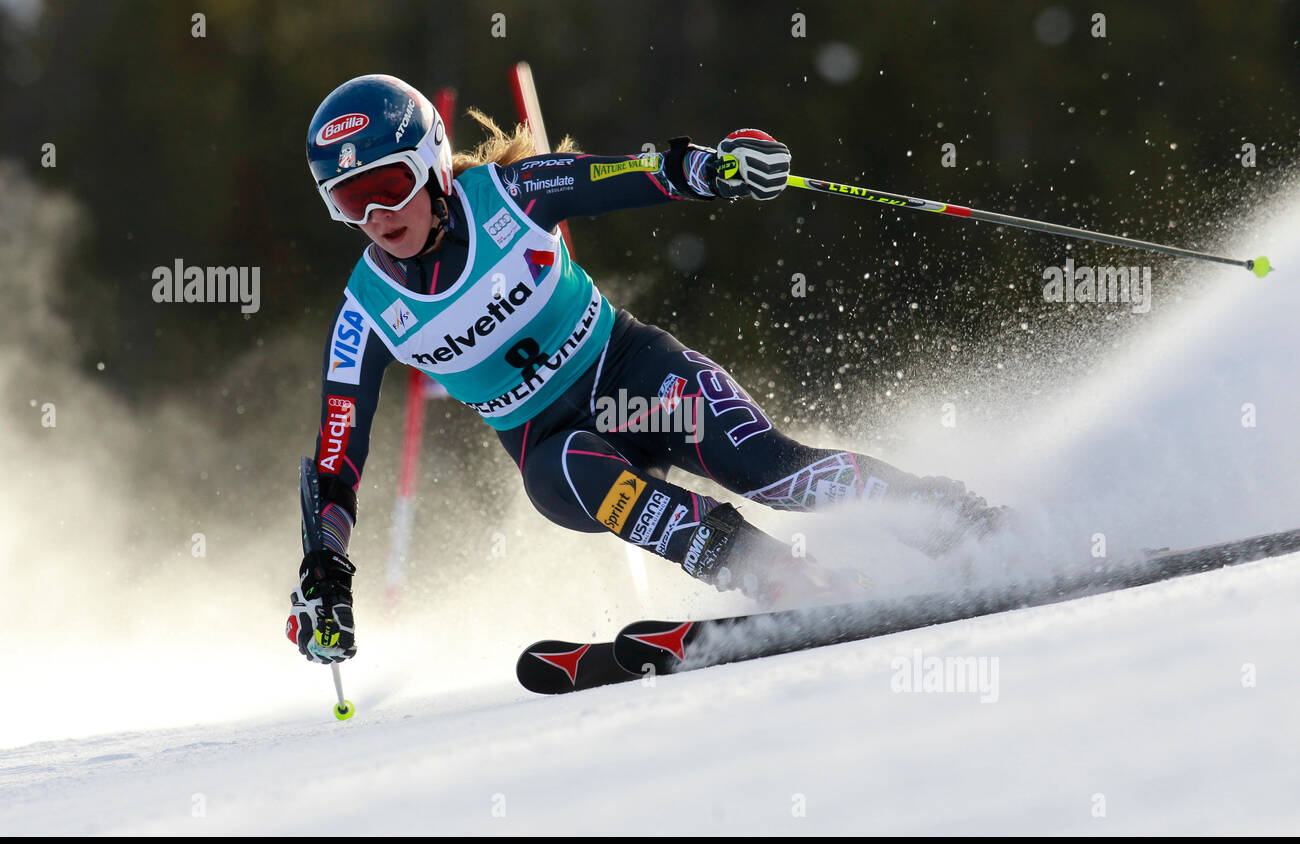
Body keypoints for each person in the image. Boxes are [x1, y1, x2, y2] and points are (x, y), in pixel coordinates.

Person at [287, 74, 1002, 665]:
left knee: (770, 468)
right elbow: (334, 463)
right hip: (553, 444)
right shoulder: (366, 314)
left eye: (388, 183)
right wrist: (326, 569)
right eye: (350, 200)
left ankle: (962, 521)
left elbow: (631, 176)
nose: (376, 214)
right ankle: (783, 579)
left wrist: (715, 169)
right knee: (574, 470)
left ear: (434, 165)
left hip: (632, 377)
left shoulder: (512, 194)